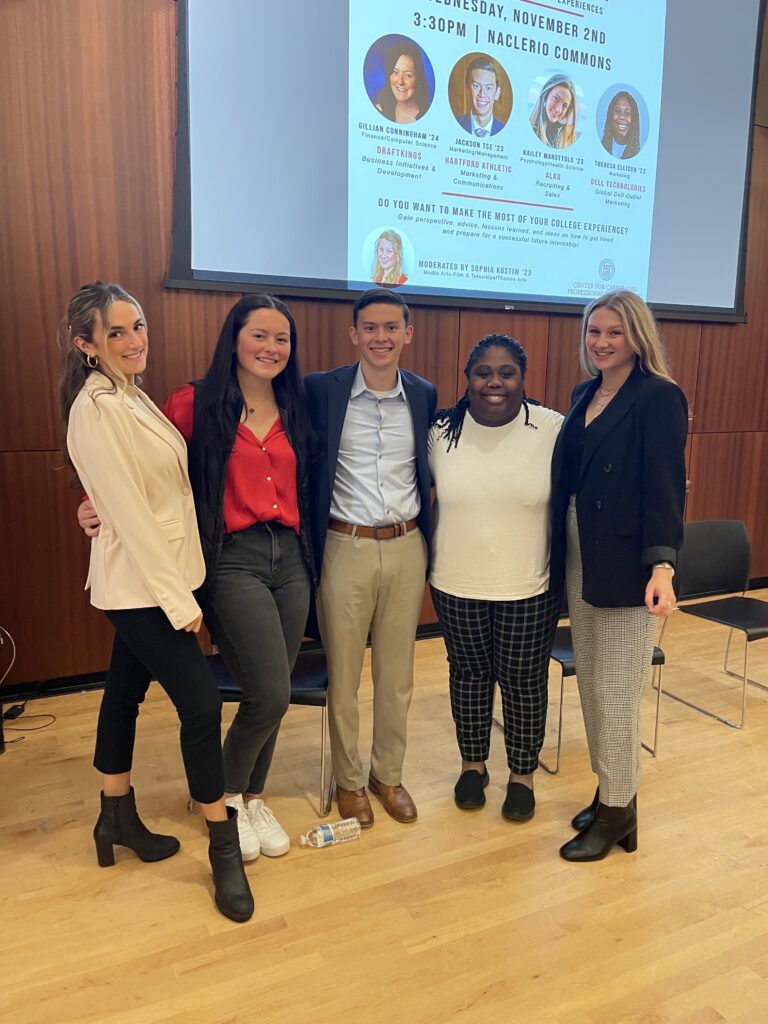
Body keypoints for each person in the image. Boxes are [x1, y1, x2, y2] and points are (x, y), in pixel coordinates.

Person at [78, 294, 315, 863]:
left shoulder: (298, 403)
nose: (271, 347)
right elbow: (136, 470)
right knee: (268, 693)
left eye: (281, 338)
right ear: (234, 339)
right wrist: (92, 505)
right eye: (259, 335)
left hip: (291, 558)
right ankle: (224, 800)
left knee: (274, 693)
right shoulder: (193, 402)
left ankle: (252, 799)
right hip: (230, 557)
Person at [61, 282, 253, 923]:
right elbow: (130, 516)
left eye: (137, 325)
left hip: (155, 577)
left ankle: (115, 815)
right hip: (142, 587)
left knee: (123, 693)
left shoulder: (130, 394)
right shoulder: (97, 407)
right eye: (115, 332)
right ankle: (222, 845)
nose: (133, 340)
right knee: (201, 704)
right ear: (86, 344)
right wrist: (179, 603)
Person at [549, 290, 688, 862]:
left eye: (614, 332)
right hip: (582, 549)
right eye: (594, 331)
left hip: (628, 561)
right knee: (590, 681)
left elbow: (666, 486)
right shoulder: (585, 392)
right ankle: (612, 792)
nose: (602, 342)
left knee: (618, 689)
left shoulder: (658, 396)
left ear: (637, 336)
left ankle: (618, 813)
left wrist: (663, 565)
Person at [305, 288, 436, 827]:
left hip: (407, 545)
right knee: (343, 674)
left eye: (391, 327)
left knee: (397, 674)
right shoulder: (322, 390)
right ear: (354, 334)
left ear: (408, 333)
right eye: (370, 328)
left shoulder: (423, 394)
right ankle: (349, 780)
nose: (381, 337)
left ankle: (388, 774)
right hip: (345, 545)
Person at [429, 335, 562, 822]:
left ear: (522, 378)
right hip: (454, 581)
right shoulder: (440, 430)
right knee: (468, 676)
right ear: (468, 378)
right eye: (483, 372)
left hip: (529, 584)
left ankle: (522, 776)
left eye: (507, 373)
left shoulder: (551, 428)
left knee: (524, 682)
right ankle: (473, 766)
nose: (494, 382)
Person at [375, 41, 429, 123]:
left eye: (408, 75)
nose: (400, 82)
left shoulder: (430, 116)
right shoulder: (379, 111)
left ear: (418, 78)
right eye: (395, 72)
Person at [456, 56, 506, 137]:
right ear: (467, 89)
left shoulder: (507, 133)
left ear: (497, 93)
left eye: (488, 88)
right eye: (476, 86)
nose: (482, 94)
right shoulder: (454, 124)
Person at [529, 74, 577, 149]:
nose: (558, 109)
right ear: (546, 96)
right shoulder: (529, 130)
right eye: (556, 98)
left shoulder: (568, 139)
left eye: (564, 106)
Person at [601, 90, 641, 160]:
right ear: (610, 115)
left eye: (627, 113)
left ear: (633, 119)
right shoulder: (600, 148)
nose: (622, 117)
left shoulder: (639, 156)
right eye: (617, 111)